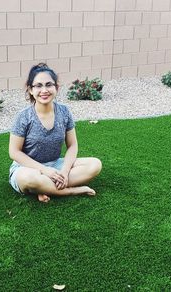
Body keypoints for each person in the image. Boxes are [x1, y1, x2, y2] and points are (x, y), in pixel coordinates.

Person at [8, 63, 102, 203]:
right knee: (28, 179)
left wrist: (64, 171)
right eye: (38, 86)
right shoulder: (23, 116)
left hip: (55, 165)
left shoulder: (64, 112)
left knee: (95, 165)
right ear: (30, 90)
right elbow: (14, 152)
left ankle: (42, 188)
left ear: (56, 88)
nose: (44, 90)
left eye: (49, 85)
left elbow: (72, 145)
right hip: (28, 168)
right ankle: (69, 190)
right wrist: (44, 171)